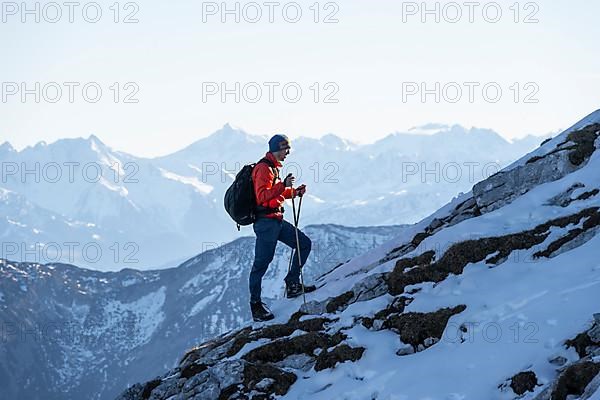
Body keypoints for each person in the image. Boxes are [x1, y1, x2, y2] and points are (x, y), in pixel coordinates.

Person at [249, 134, 316, 322]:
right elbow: (262, 196)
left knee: (304, 244)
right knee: (261, 265)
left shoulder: (272, 168)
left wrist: (293, 192)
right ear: (276, 149)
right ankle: (256, 306)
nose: (287, 153)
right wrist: (283, 186)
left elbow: (273, 194)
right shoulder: (263, 169)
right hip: (266, 224)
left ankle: (293, 284)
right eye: (285, 149)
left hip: (275, 220)